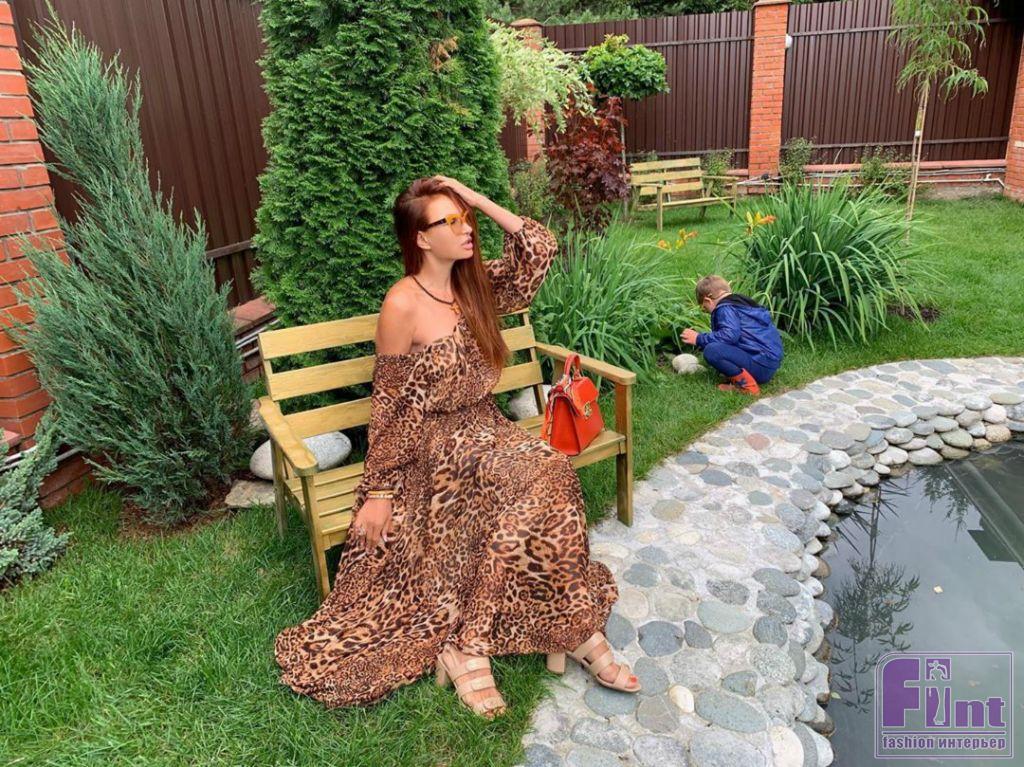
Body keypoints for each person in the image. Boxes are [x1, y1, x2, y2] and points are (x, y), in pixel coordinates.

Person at [274, 175, 640, 720]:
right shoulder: (401, 304)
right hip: (433, 444)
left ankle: (571, 624)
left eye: (464, 217)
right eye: (450, 221)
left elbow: (539, 248)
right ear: (422, 238)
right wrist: (380, 491)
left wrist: (478, 200)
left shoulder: (477, 285)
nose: (465, 227)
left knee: (552, 472)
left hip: (485, 427)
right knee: (538, 478)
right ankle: (472, 642)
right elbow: (391, 405)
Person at [680, 275, 783, 396]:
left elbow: (729, 336)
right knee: (718, 348)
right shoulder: (742, 304)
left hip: (760, 366)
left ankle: (748, 386)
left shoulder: (725, 308)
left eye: (705, 308)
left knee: (712, 351)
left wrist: (699, 338)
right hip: (768, 364)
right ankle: (741, 376)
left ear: (708, 300)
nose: (707, 312)